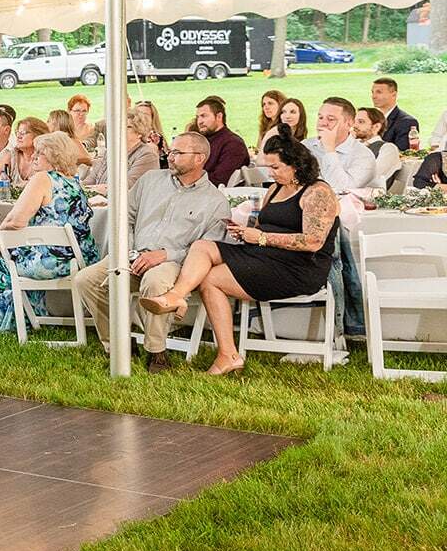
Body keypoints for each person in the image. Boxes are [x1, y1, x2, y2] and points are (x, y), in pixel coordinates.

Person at [140, 134, 340, 375]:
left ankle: (226, 353)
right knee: (202, 246)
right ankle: (178, 298)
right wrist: (244, 231)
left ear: (296, 164)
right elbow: (262, 227)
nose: (270, 174)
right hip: (264, 255)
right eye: (268, 167)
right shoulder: (276, 189)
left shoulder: (317, 192)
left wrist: (263, 238)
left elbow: (313, 241)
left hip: (298, 267)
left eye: (275, 167)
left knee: (210, 279)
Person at [71, 132, 229, 370]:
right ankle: (117, 343)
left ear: (200, 158)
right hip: (133, 254)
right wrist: (127, 249)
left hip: (176, 263)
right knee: (86, 279)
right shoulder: (151, 180)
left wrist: (166, 254)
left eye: (178, 153)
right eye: (171, 151)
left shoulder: (215, 201)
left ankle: (157, 351)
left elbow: (209, 248)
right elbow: (126, 216)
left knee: (155, 282)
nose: (170, 156)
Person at [0, 131, 97, 333]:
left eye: (39, 153)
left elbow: (16, 220)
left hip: (52, 261)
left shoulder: (43, 179)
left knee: (0, 260)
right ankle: (33, 316)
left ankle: (9, 323)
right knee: (22, 253)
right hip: (82, 256)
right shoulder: (74, 181)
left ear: (55, 156)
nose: (33, 157)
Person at [305, 97, 377, 338]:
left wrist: (329, 151)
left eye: (331, 119)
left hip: (346, 221)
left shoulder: (362, 155)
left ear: (348, 123)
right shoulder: (306, 147)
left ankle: (345, 325)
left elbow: (341, 187)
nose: (323, 123)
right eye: (321, 117)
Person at [86, 110, 161, 192]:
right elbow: (91, 179)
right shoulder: (111, 151)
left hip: (125, 203)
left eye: (127, 127)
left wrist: (94, 189)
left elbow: (127, 185)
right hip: (100, 201)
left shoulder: (147, 155)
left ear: (139, 132)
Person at [195, 96, 248, 187]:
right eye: (197, 117)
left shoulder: (233, 144)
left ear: (219, 116)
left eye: (204, 116)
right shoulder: (202, 140)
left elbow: (220, 180)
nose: (199, 121)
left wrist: (188, 177)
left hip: (213, 195)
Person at [0, 116, 47, 188]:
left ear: (38, 135)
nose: (18, 136)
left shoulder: (45, 159)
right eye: (18, 132)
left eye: (23, 133)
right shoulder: (10, 154)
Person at [371, 77, 418, 153]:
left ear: (394, 95)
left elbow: (400, 152)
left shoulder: (406, 122)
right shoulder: (370, 119)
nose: (373, 96)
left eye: (379, 92)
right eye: (372, 92)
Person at [135, 99, 170, 168]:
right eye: (137, 113)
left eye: (145, 115)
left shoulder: (156, 139)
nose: (140, 117)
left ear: (152, 119)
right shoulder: (129, 136)